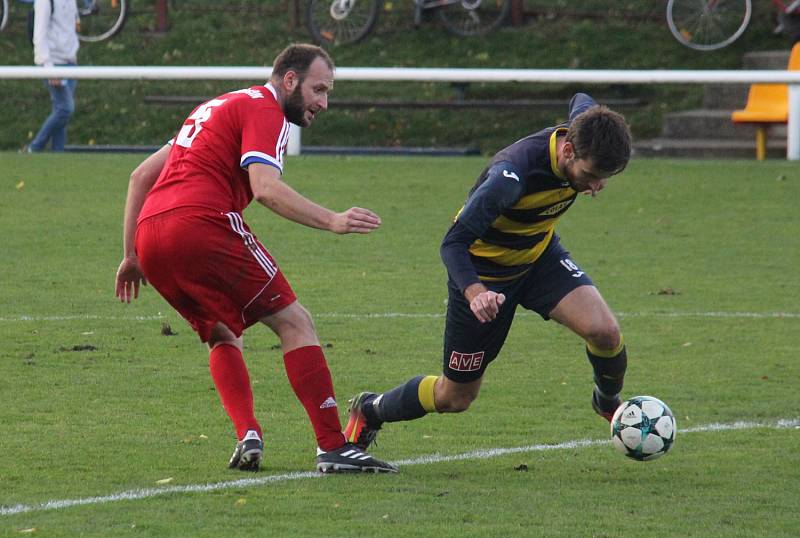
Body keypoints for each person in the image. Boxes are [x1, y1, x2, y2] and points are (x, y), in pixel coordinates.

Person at [114, 44, 396, 474]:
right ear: (289, 80)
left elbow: (140, 176)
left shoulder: (216, 107)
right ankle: (333, 446)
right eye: (318, 90)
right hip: (201, 222)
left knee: (222, 331)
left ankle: (248, 433)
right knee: (295, 322)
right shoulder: (266, 110)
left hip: (151, 233)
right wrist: (333, 220)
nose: (324, 102)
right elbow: (264, 188)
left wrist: (131, 255)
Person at [344, 93, 632, 452]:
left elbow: (581, 99)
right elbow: (453, 243)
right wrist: (475, 291)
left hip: (538, 258)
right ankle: (370, 410)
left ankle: (607, 403)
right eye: (590, 176)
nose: (595, 187)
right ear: (569, 151)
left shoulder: (586, 127)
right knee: (455, 397)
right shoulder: (510, 178)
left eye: (603, 179)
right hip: (483, 274)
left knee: (604, 332)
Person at [26, 0, 79, 152]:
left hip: (70, 62)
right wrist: (47, 66)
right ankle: (35, 147)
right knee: (65, 109)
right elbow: (39, 33)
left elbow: (70, 28)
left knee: (60, 111)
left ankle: (58, 153)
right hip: (54, 62)